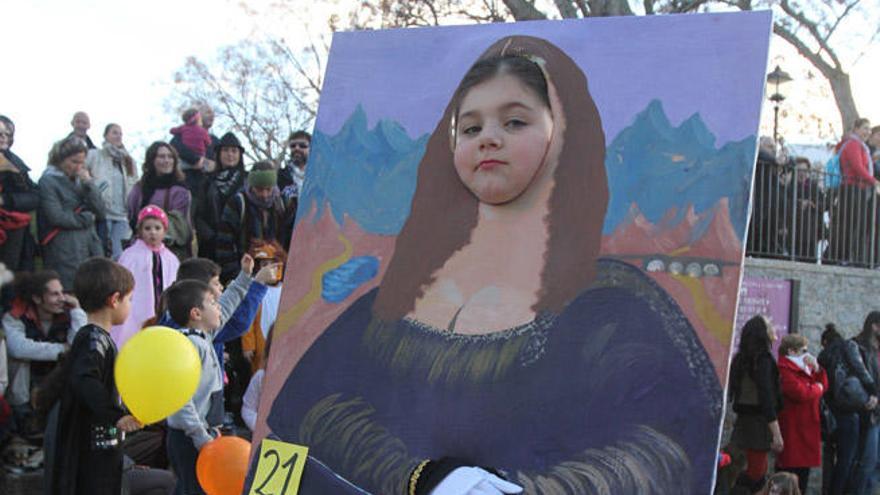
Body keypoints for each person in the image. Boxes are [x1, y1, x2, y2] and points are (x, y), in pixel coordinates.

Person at [265, 36, 722, 494]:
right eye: (470, 128)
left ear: (563, 132)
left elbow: (665, 445)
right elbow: (309, 408)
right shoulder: (396, 297)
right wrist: (422, 480)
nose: (488, 138)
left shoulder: (609, 306)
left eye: (515, 120)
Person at [50, 257, 142, 495]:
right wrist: (116, 416)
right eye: (129, 299)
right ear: (114, 300)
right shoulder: (93, 341)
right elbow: (84, 380)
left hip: (103, 447)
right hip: (89, 451)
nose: (131, 306)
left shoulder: (98, 339)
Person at [2, 271, 86, 437]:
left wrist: (77, 310)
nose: (62, 298)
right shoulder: (16, 315)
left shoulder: (68, 313)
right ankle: (24, 417)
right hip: (28, 379)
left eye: (62, 292)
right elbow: (18, 347)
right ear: (37, 298)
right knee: (19, 362)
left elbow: (79, 344)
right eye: (55, 294)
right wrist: (61, 349)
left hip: (55, 376)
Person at [164, 279, 223, 495]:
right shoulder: (190, 345)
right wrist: (200, 436)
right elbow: (179, 397)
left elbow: (229, 307)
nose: (219, 308)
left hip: (201, 433)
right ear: (196, 314)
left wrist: (245, 280)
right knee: (192, 488)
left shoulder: (202, 338)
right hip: (190, 437)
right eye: (213, 303)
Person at [38, 136, 105, 289]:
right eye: (74, 162)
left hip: (89, 246)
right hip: (65, 249)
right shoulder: (48, 182)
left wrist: (89, 184)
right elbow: (56, 216)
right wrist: (85, 219)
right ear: (60, 160)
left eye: (81, 162)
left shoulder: (82, 181)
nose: (78, 167)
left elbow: (100, 212)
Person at [818, 322, 876, 495]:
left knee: (829, 458)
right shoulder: (848, 347)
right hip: (850, 412)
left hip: (830, 414)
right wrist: (872, 391)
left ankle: (828, 491)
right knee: (847, 458)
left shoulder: (822, 356)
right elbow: (860, 370)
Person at [729, 315, 784, 494]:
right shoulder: (763, 361)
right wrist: (777, 434)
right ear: (762, 333)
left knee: (739, 473)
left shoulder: (740, 359)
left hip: (742, 425)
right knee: (756, 477)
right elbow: (766, 400)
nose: (773, 328)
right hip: (758, 426)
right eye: (769, 325)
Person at [112, 206, 179, 349]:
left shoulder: (170, 259)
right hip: (137, 310)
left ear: (165, 230)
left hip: (162, 310)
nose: (152, 233)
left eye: (157, 228)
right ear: (140, 231)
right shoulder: (131, 255)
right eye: (147, 228)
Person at [216, 160, 290, 282]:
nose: (265, 195)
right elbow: (224, 244)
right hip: (245, 276)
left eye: (268, 189)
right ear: (251, 186)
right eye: (259, 189)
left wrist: (283, 257)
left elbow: (293, 238)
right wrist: (236, 278)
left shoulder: (284, 204)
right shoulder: (237, 204)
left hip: (279, 277)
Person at [775, 334, 827, 494]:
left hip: (807, 429)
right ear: (791, 351)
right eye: (803, 350)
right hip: (793, 431)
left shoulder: (804, 368)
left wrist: (817, 369)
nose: (806, 354)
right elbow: (800, 393)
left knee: (802, 479)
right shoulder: (784, 370)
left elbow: (824, 383)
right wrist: (817, 388)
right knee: (787, 478)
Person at [127, 142, 193, 260]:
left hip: (170, 251)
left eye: (170, 156)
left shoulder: (179, 190)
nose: (167, 160)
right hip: (141, 250)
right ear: (152, 160)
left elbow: (180, 224)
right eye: (162, 156)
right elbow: (132, 215)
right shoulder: (139, 188)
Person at [86, 123, 138, 259]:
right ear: (105, 135)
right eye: (115, 132)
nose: (118, 136)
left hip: (122, 215)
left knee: (119, 254)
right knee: (101, 253)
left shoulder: (128, 160)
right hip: (102, 213)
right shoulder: (94, 155)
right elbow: (83, 173)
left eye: (120, 133)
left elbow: (134, 184)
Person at [194, 132, 247, 261]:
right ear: (218, 154)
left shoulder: (247, 180)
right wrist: (211, 236)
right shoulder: (207, 181)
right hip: (212, 245)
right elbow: (198, 215)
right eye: (226, 150)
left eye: (234, 151)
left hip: (241, 243)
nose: (230, 154)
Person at [0, 115, 40, 274]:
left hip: (13, 234)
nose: (4, 137)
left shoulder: (17, 164)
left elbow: (35, 196)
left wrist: (6, 200)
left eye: (7, 134)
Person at [834, 118, 876, 265]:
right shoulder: (853, 145)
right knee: (850, 224)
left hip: (858, 189)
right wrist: (874, 181)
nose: (868, 132)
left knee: (856, 224)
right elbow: (858, 167)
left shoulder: (860, 146)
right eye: (865, 128)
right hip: (852, 188)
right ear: (856, 129)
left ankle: (849, 256)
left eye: (869, 129)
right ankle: (843, 257)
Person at [240, 240, 285, 373]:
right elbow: (247, 319)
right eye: (265, 265)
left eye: (273, 264)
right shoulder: (254, 291)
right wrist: (248, 344)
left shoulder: (286, 289)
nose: (269, 269)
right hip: (261, 345)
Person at [851, 311, 880, 494]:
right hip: (869, 415)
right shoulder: (858, 347)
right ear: (875, 326)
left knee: (877, 464)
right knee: (866, 462)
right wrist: (870, 396)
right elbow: (856, 378)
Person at [278, 130, 310, 212]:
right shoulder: (280, 177)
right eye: (293, 146)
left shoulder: (323, 176)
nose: (297, 148)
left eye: (302, 145)